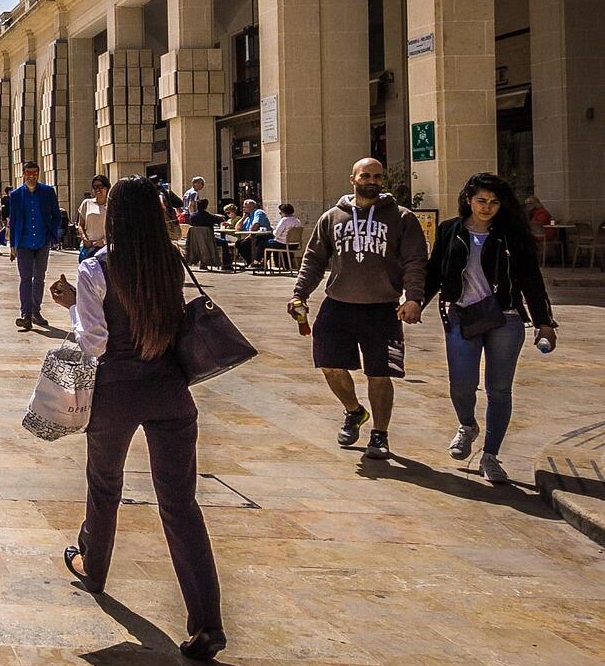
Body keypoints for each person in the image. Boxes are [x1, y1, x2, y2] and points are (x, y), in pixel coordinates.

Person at [51, 175, 224, 661]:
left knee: (105, 484)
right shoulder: (171, 260)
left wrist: (72, 309)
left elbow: (94, 341)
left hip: (117, 391)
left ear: (115, 216)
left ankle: (95, 566)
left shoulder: (95, 267)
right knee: (180, 504)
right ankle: (207, 620)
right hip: (170, 391)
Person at [290, 157, 429, 460]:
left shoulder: (402, 218)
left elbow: (415, 261)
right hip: (338, 305)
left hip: (383, 309)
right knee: (328, 364)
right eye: (365, 176)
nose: (372, 181)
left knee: (380, 374)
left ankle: (380, 434)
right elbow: (313, 260)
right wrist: (300, 294)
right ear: (352, 179)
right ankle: (354, 411)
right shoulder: (332, 218)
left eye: (378, 177)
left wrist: (414, 298)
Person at [422, 173, 557, 483]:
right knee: (461, 384)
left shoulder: (511, 235)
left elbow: (531, 280)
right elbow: (434, 273)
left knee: (499, 389)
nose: (487, 207)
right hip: (463, 316)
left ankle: (491, 455)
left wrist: (544, 322)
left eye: (494, 202)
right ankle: (467, 425)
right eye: (481, 200)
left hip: (506, 318)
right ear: (469, 200)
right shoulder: (449, 231)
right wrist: (415, 301)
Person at [7, 161, 63, 330]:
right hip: (23, 243)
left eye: (35, 173)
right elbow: (13, 220)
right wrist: (12, 245)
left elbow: (56, 216)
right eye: (28, 173)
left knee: (39, 278)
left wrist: (51, 233)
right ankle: (25, 314)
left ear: (38, 174)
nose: (31, 176)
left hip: (41, 242)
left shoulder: (47, 192)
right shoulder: (16, 195)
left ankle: (35, 311)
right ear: (23, 174)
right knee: (25, 279)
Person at [76, 175, 110, 260]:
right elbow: (80, 225)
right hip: (88, 247)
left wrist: (104, 241)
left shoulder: (112, 205)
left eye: (100, 186)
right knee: (85, 271)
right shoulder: (86, 203)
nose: (97, 189)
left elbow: (115, 227)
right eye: (95, 187)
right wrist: (84, 239)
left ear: (106, 187)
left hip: (104, 247)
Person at [234, 199, 272, 265]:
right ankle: (251, 262)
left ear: (252, 207)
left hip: (263, 236)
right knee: (238, 243)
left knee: (245, 243)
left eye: (245, 207)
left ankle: (256, 262)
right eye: (243, 207)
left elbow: (255, 225)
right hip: (254, 237)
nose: (243, 209)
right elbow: (237, 228)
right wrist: (243, 218)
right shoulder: (248, 216)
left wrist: (249, 236)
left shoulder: (258, 212)